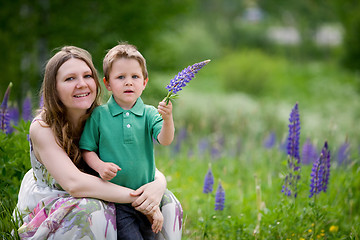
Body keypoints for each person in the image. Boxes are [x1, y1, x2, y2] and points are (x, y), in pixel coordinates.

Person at [14, 46, 183, 239]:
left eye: (87, 76)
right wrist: (141, 200)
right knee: (93, 210)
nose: (81, 84)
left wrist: (158, 185)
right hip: (59, 200)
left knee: (168, 201)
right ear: (54, 87)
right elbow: (75, 185)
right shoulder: (43, 127)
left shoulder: (99, 116)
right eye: (70, 79)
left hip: (108, 192)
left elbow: (135, 161)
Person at [79, 43, 175, 240]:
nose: (128, 82)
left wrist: (167, 119)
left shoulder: (149, 113)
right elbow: (86, 149)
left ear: (144, 82)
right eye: (121, 77)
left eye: (135, 77)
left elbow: (165, 140)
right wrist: (100, 166)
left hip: (147, 198)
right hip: (116, 199)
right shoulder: (99, 115)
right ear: (107, 84)